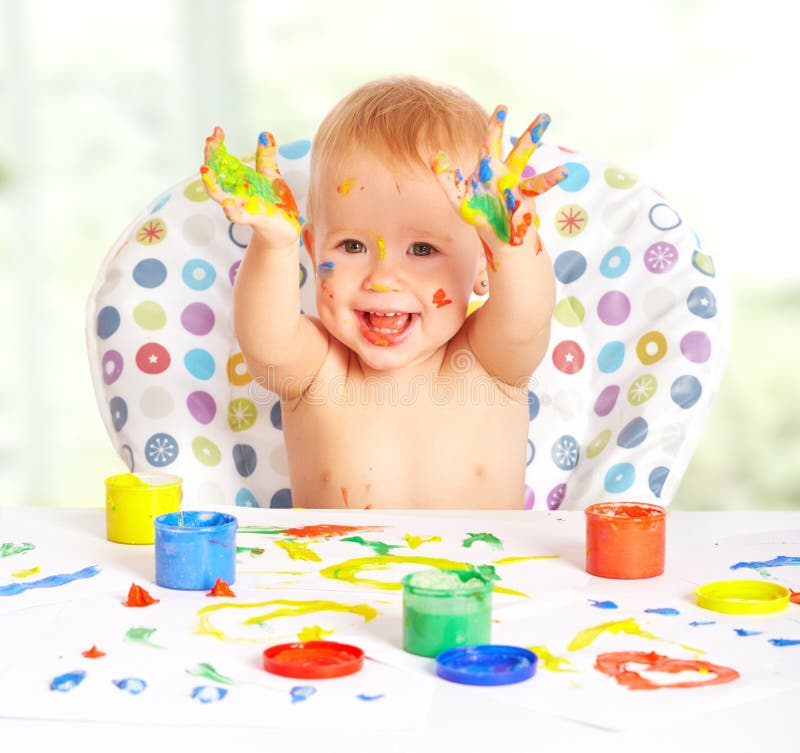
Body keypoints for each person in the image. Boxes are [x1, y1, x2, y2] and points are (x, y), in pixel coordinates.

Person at [200, 76, 567, 509]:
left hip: (486, 574)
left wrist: (512, 242)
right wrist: (274, 244)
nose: (383, 278)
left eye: (423, 248)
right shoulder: (320, 372)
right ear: (314, 250)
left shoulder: (487, 362)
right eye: (352, 246)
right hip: (330, 576)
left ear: (484, 266)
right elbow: (266, 342)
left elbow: (527, 315)